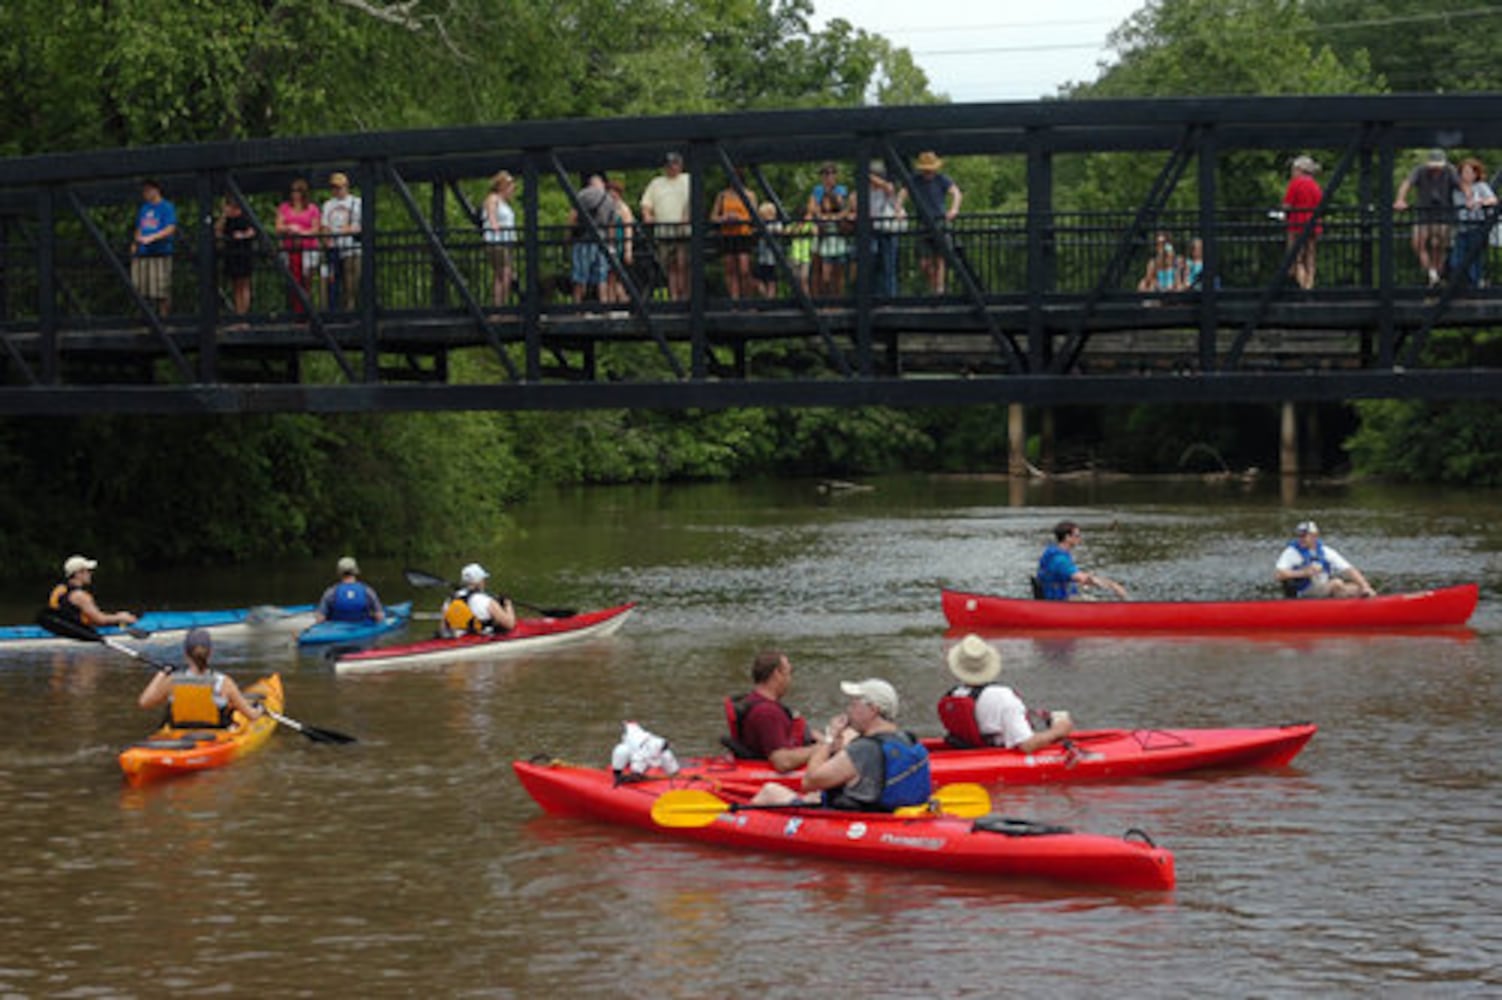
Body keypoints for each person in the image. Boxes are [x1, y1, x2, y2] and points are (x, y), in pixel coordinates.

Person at [749, 677, 931, 811]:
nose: (848, 709)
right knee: (815, 796)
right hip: (891, 816)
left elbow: (809, 781)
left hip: (855, 822)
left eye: (854, 704)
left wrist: (828, 739)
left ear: (873, 710)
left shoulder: (862, 749)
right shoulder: (907, 738)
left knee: (770, 790)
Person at [937, 634, 1074, 752]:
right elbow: (1026, 745)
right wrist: (1058, 731)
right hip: (993, 754)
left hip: (967, 751)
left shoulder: (954, 694)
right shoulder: (1003, 696)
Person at [137, 628, 263, 729]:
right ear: (210, 654)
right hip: (215, 739)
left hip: (178, 736)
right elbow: (252, 716)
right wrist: (260, 710)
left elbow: (144, 702)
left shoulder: (172, 681)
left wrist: (161, 674)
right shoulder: (224, 682)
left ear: (185, 654)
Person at [723, 650, 823, 772]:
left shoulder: (754, 700)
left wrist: (821, 738)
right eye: (789, 673)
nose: (790, 679)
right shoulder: (767, 713)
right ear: (777, 674)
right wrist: (823, 749)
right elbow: (782, 762)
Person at [1394, 149, 1463, 288]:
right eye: (1433, 167)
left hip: (1444, 215)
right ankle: (1432, 273)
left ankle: (1437, 274)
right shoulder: (1420, 170)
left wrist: (1469, 199)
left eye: (1438, 167)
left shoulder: (1450, 170)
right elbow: (1407, 183)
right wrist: (1400, 199)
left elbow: (1462, 185)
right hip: (1424, 214)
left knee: (1439, 245)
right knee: (1418, 243)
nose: (1436, 170)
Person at [899, 151, 962, 294]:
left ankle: (939, 290)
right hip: (923, 224)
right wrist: (900, 210)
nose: (928, 173)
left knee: (940, 258)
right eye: (926, 170)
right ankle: (934, 285)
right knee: (924, 262)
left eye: (930, 170)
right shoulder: (914, 179)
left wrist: (954, 209)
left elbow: (956, 193)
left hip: (939, 221)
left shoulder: (942, 179)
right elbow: (902, 194)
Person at [1274, 520, 1377, 598]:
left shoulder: (1326, 551)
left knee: (1358, 589)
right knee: (1337, 583)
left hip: (1324, 588)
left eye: (1304, 536)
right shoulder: (1292, 552)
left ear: (1314, 536)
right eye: (1300, 536)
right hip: (1304, 591)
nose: (1301, 539)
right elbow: (1278, 575)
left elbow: (1348, 569)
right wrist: (1304, 573)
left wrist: (1365, 586)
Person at [639, 152, 691, 299]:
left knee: (683, 265)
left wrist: (687, 216)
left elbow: (695, 201)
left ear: (680, 165)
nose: (672, 167)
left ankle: (685, 297)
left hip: (684, 232)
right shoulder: (656, 183)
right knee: (670, 267)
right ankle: (674, 297)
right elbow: (646, 204)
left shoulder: (688, 180)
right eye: (669, 164)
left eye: (675, 164)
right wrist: (647, 216)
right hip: (664, 233)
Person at [1036, 520, 1128, 600]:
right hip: (1060, 602)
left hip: (1061, 598)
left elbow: (1071, 578)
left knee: (1093, 599)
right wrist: (1113, 586)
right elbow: (1082, 579)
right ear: (1067, 537)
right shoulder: (1060, 560)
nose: (1080, 538)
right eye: (1077, 535)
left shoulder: (1056, 553)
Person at [45, 555, 138, 630]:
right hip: (75, 631)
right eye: (88, 571)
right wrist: (120, 617)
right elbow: (100, 620)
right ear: (78, 573)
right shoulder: (79, 596)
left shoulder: (60, 589)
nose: (91, 574)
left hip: (62, 628)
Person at [130, 179, 177, 317]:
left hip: (160, 253)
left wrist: (153, 238)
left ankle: (164, 320)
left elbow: (170, 228)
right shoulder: (144, 208)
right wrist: (135, 243)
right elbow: (140, 228)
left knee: (161, 290)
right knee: (142, 289)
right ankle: (145, 320)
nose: (145, 194)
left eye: (147, 190)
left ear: (156, 190)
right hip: (143, 253)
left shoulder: (166, 207)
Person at [1449, 157, 1497, 289]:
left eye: (1470, 172)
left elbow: (1493, 200)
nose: (1467, 175)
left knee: (1474, 260)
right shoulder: (1456, 189)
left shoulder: (1481, 186)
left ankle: (1474, 286)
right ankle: (1461, 286)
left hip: (1477, 227)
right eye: (1464, 172)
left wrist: (1480, 202)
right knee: (1456, 260)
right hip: (1461, 228)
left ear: (1476, 174)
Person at [275, 178, 321, 314]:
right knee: (292, 281)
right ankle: (294, 311)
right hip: (289, 249)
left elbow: (315, 229)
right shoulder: (284, 207)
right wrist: (289, 228)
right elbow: (278, 226)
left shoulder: (312, 208)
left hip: (308, 248)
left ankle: (307, 310)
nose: (295, 194)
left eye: (298, 191)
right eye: (293, 191)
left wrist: (301, 232)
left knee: (307, 281)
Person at [568, 173, 614, 304]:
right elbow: (611, 225)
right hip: (602, 241)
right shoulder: (609, 199)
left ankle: (578, 307)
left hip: (583, 239)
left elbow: (572, 217)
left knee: (580, 276)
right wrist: (611, 243)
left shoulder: (583, 195)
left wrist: (568, 236)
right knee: (601, 277)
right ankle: (604, 306)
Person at [806, 163, 850, 297]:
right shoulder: (817, 190)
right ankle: (820, 298)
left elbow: (844, 209)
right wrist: (822, 216)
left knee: (838, 272)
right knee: (819, 269)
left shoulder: (841, 190)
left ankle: (838, 299)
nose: (828, 176)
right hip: (822, 233)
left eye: (831, 173)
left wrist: (832, 215)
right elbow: (812, 208)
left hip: (837, 234)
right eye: (825, 174)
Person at [711, 170, 756, 300]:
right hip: (727, 233)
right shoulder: (722, 196)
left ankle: (747, 299)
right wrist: (724, 218)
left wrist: (740, 218)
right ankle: (734, 299)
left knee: (744, 269)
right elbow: (713, 216)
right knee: (730, 268)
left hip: (743, 233)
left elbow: (754, 216)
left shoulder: (749, 194)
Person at [321, 172, 362, 311]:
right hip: (334, 248)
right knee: (333, 282)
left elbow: (363, 225)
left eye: (339, 187)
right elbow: (325, 226)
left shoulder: (357, 202)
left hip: (352, 248)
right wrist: (327, 241)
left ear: (346, 186)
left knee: (351, 282)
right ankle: (334, 311)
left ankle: (350, 310)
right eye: (334, 187)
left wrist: (350, 229)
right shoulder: (328, 205)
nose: (336, 190)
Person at [439, 563, 516, 636]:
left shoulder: (449, 600)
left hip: (456, 639)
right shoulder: (487, 601)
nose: (484, 582)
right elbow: (510, 624)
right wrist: (508, 605)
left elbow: (443, 628)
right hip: (480, 640)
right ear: (478, 582)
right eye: (483, 579)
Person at [1282, 155, 1324, 290]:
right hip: (1313, 224)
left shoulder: (1295, 184)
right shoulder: (1315, 185)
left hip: (1297, 224)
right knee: (1310, 257)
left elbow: (1287, 206)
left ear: (1299, 169)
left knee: (1296, 257)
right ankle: (1310, 284)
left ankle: (1302, 286)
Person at [213, 194, 256, 322]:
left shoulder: (245, 216)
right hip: (231, 254)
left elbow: (253, 231)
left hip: (244, 253)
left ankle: (244, 314)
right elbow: (217, 231)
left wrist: (242, 235)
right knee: (235, 285)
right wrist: (223, 216)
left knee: (244, 284)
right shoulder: (226, 220)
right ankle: (238, 314)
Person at [864, 161, 903, 297]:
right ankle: (874, 295)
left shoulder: (887, 188)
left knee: (889, 267)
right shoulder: (866, 191)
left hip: (888, 231)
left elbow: (888, 188)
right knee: (872, 261)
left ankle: (890, 297)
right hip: (872, 230)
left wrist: (869, 176)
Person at [481, 170, 518, 307]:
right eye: (510, 186)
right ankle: (500, 307)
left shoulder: (505, 203)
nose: (512, 189)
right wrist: (495, 227)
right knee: (504, 273)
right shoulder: (493, 198)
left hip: (506, 241)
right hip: (497, 241)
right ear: (502, 186)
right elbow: (491, 216)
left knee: (501, 274)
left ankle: (500, 306)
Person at [314, 555, 385, 624]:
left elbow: (320, 619)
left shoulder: (331, 592)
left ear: (339, 572)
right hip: (363, 629)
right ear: (356, 571)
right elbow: (380, 617)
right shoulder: (368, 591)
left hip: (337, 630)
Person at [605, 178, 636, 305]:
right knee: (609, 277)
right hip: (608, 244)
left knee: (615, 276)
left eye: (614, 191)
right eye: (609, 191)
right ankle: (612, 303)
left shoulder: (623, 208)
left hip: (618, 244)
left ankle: (622, 302)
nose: (612, 194)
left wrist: (628, 250)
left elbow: (628, 230)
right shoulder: (606, 207)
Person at [752, 201, 782, 298]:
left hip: (772, 258)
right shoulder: (760, 224)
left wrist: (771, 230)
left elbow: (779, 230)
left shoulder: (776, 224)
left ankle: (770, 299)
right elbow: (754, 231)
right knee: (758, 279)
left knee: (771, 280)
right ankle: (765, 297)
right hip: (762, 257)